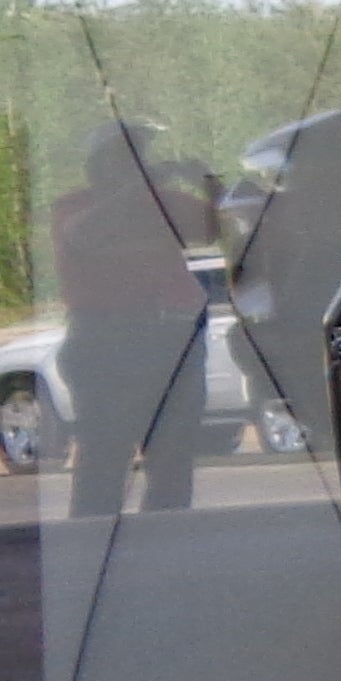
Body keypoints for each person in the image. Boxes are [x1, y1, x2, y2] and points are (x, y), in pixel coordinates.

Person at [51, 116, 209, 519]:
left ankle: (166, 545)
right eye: (128, 155)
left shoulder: (168, 202)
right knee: (105, 455)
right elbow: (82, 236)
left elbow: (221, 227)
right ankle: (93, 546)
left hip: (172, 337)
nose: (141, 161)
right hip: (106, 339)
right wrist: (137, 189)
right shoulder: (74, 207)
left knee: (173, 458)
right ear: (99, 163)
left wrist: (208, 180)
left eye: (142, 154)